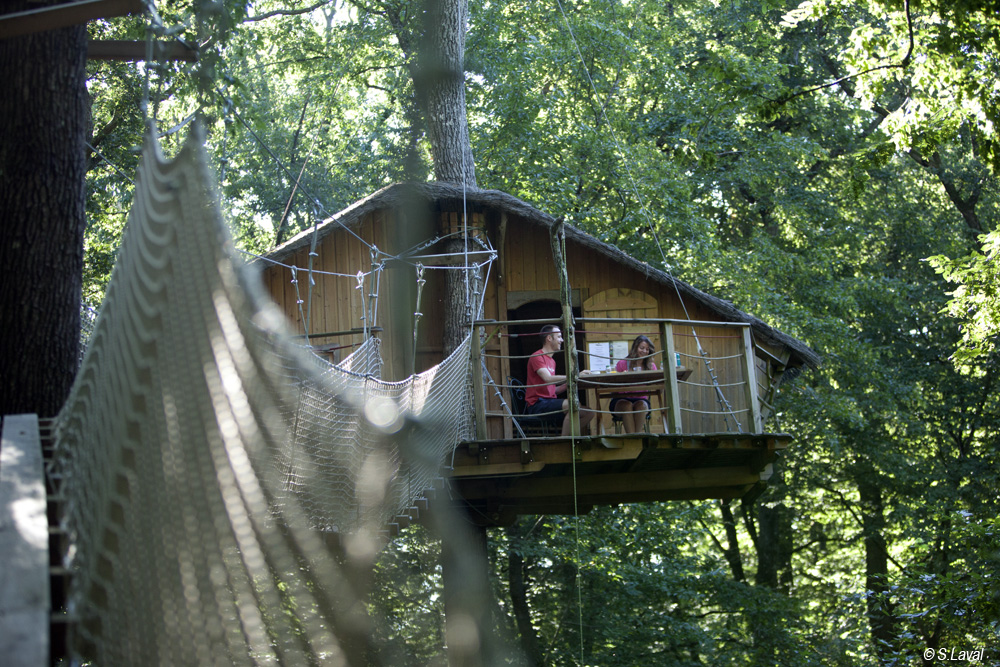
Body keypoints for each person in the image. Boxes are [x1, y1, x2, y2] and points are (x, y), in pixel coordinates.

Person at [524, 324, 595, 436]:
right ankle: (564, 440)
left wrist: (570, 383)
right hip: (537, 404)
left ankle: (571, 437)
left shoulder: (552, 361)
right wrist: (574, 376)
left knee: (589, 413)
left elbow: (553, 390)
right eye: (559, 337)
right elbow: (548, 379)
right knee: (573, 404)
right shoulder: (537, 357)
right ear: (549, 338)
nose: (561, 340)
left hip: (549, 402)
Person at [612, 335, 657, 433]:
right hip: (621, 400)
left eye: (647, 349)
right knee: (627, 405)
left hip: (641, 400)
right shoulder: (622, 364)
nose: (644, 351)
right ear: (635, 348)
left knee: (642, 405)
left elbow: (659, 387)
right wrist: (621, 379)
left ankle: (635, 439)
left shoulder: (651, 366)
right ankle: (635, 440)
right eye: (641, 348)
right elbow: (613, 388)